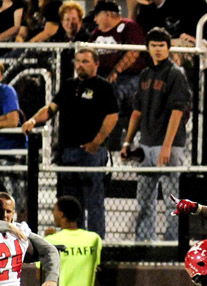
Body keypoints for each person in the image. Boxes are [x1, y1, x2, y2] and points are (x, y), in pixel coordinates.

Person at [22, 47, 117, 238]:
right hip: (67, 152)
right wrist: (33, 120)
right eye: (78, 61)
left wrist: (96, 142)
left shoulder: (104, 87)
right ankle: (74, 240)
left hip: (91, 153)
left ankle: (97, 242)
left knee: (94, 201)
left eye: (85, 61)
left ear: (96, 64)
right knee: (72, 202)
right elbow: (51, 108)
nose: (80, 65)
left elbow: (112, 117)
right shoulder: (68, 86)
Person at [123, 27, 191, 242]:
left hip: (169, 145)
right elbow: (137, 111)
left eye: (162, 46)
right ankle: (144, 242)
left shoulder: (175, 74)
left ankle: (172, 244)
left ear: (169, 48)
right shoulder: (145, 74)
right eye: (154, 45)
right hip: (145, 144)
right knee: (144, 199)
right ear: (148, 48)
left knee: (173, 200)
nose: (158, 50)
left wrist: (167, 146)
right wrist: (127, 142)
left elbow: (177, 111)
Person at [89, 0, 145, 151]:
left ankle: (110, 142)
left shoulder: (128, 27)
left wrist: (116, 71)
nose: (95, 20)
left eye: (97, 16)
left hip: (129, 76)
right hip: (102, 77)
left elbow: (133, 52)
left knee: (113, 93)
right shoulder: (97, 33)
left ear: (107, 14)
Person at [0, 62, 25, 219]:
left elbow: (12, 120)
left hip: (11, 153)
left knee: (17, 202)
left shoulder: (6, 91)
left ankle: (24, 239)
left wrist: (5, 119)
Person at [134, 0, 207, 40]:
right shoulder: (146, 10)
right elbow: (136, 33)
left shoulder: (184, 3)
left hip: (188, 43)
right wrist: (132, 8)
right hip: (160, 46)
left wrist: (194, 36)